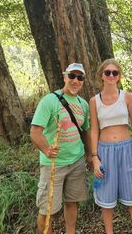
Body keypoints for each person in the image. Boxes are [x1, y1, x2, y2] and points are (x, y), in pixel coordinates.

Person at [30, 63, 91, 234]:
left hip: (77, 162)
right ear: (64, 77)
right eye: (72, 76)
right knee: (47, 210)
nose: (75, 80)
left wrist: (89, 155)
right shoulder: (50, 101)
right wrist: (47, 149)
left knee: (72, 202)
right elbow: (35, 131)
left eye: (80, 77)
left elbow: (85, 130)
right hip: (53, 164)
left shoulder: (83, 104)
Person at [90, 59, 132, 234]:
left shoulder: (126, 96)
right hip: (105, 151)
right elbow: (94, 130)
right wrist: (95, 157)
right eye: (108, 73)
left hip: (127, 149)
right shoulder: (94, 101)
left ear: (119, 76)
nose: (111, 76)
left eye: (115, 73)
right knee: (106, 197)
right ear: (101, 76)